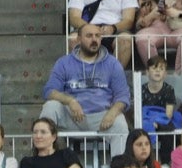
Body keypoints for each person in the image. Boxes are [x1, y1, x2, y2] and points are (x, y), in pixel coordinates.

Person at [41, 24, 131, 155]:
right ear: (78, 39)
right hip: (72, 117)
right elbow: (49, 91)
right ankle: (45, 163)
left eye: (97, 36)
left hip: (102, 117)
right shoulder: (64, 62)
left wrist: (112, 112)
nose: (94, 40)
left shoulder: (112, 63)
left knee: (121, 124)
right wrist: (70, 101)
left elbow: (123, 96)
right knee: (50, 107)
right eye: (89, 36)